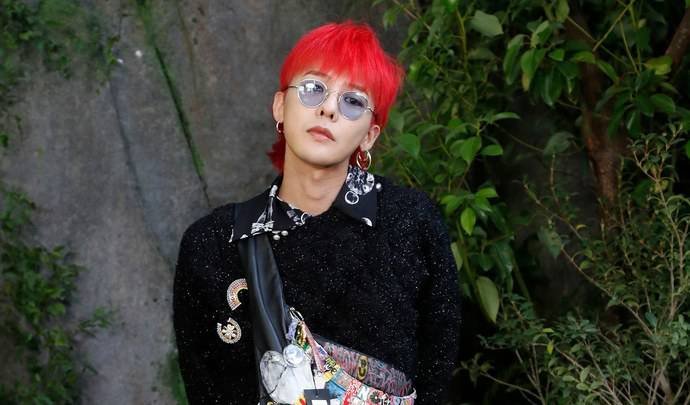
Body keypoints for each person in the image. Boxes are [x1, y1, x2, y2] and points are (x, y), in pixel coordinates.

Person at [173, 21, 461, 405]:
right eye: (313, 89)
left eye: (353, 101)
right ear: (280, 106)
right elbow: (206, 388)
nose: (328, 108)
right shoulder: (213, 244)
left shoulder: (412, 222)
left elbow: (438, 367)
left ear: (370, 135)